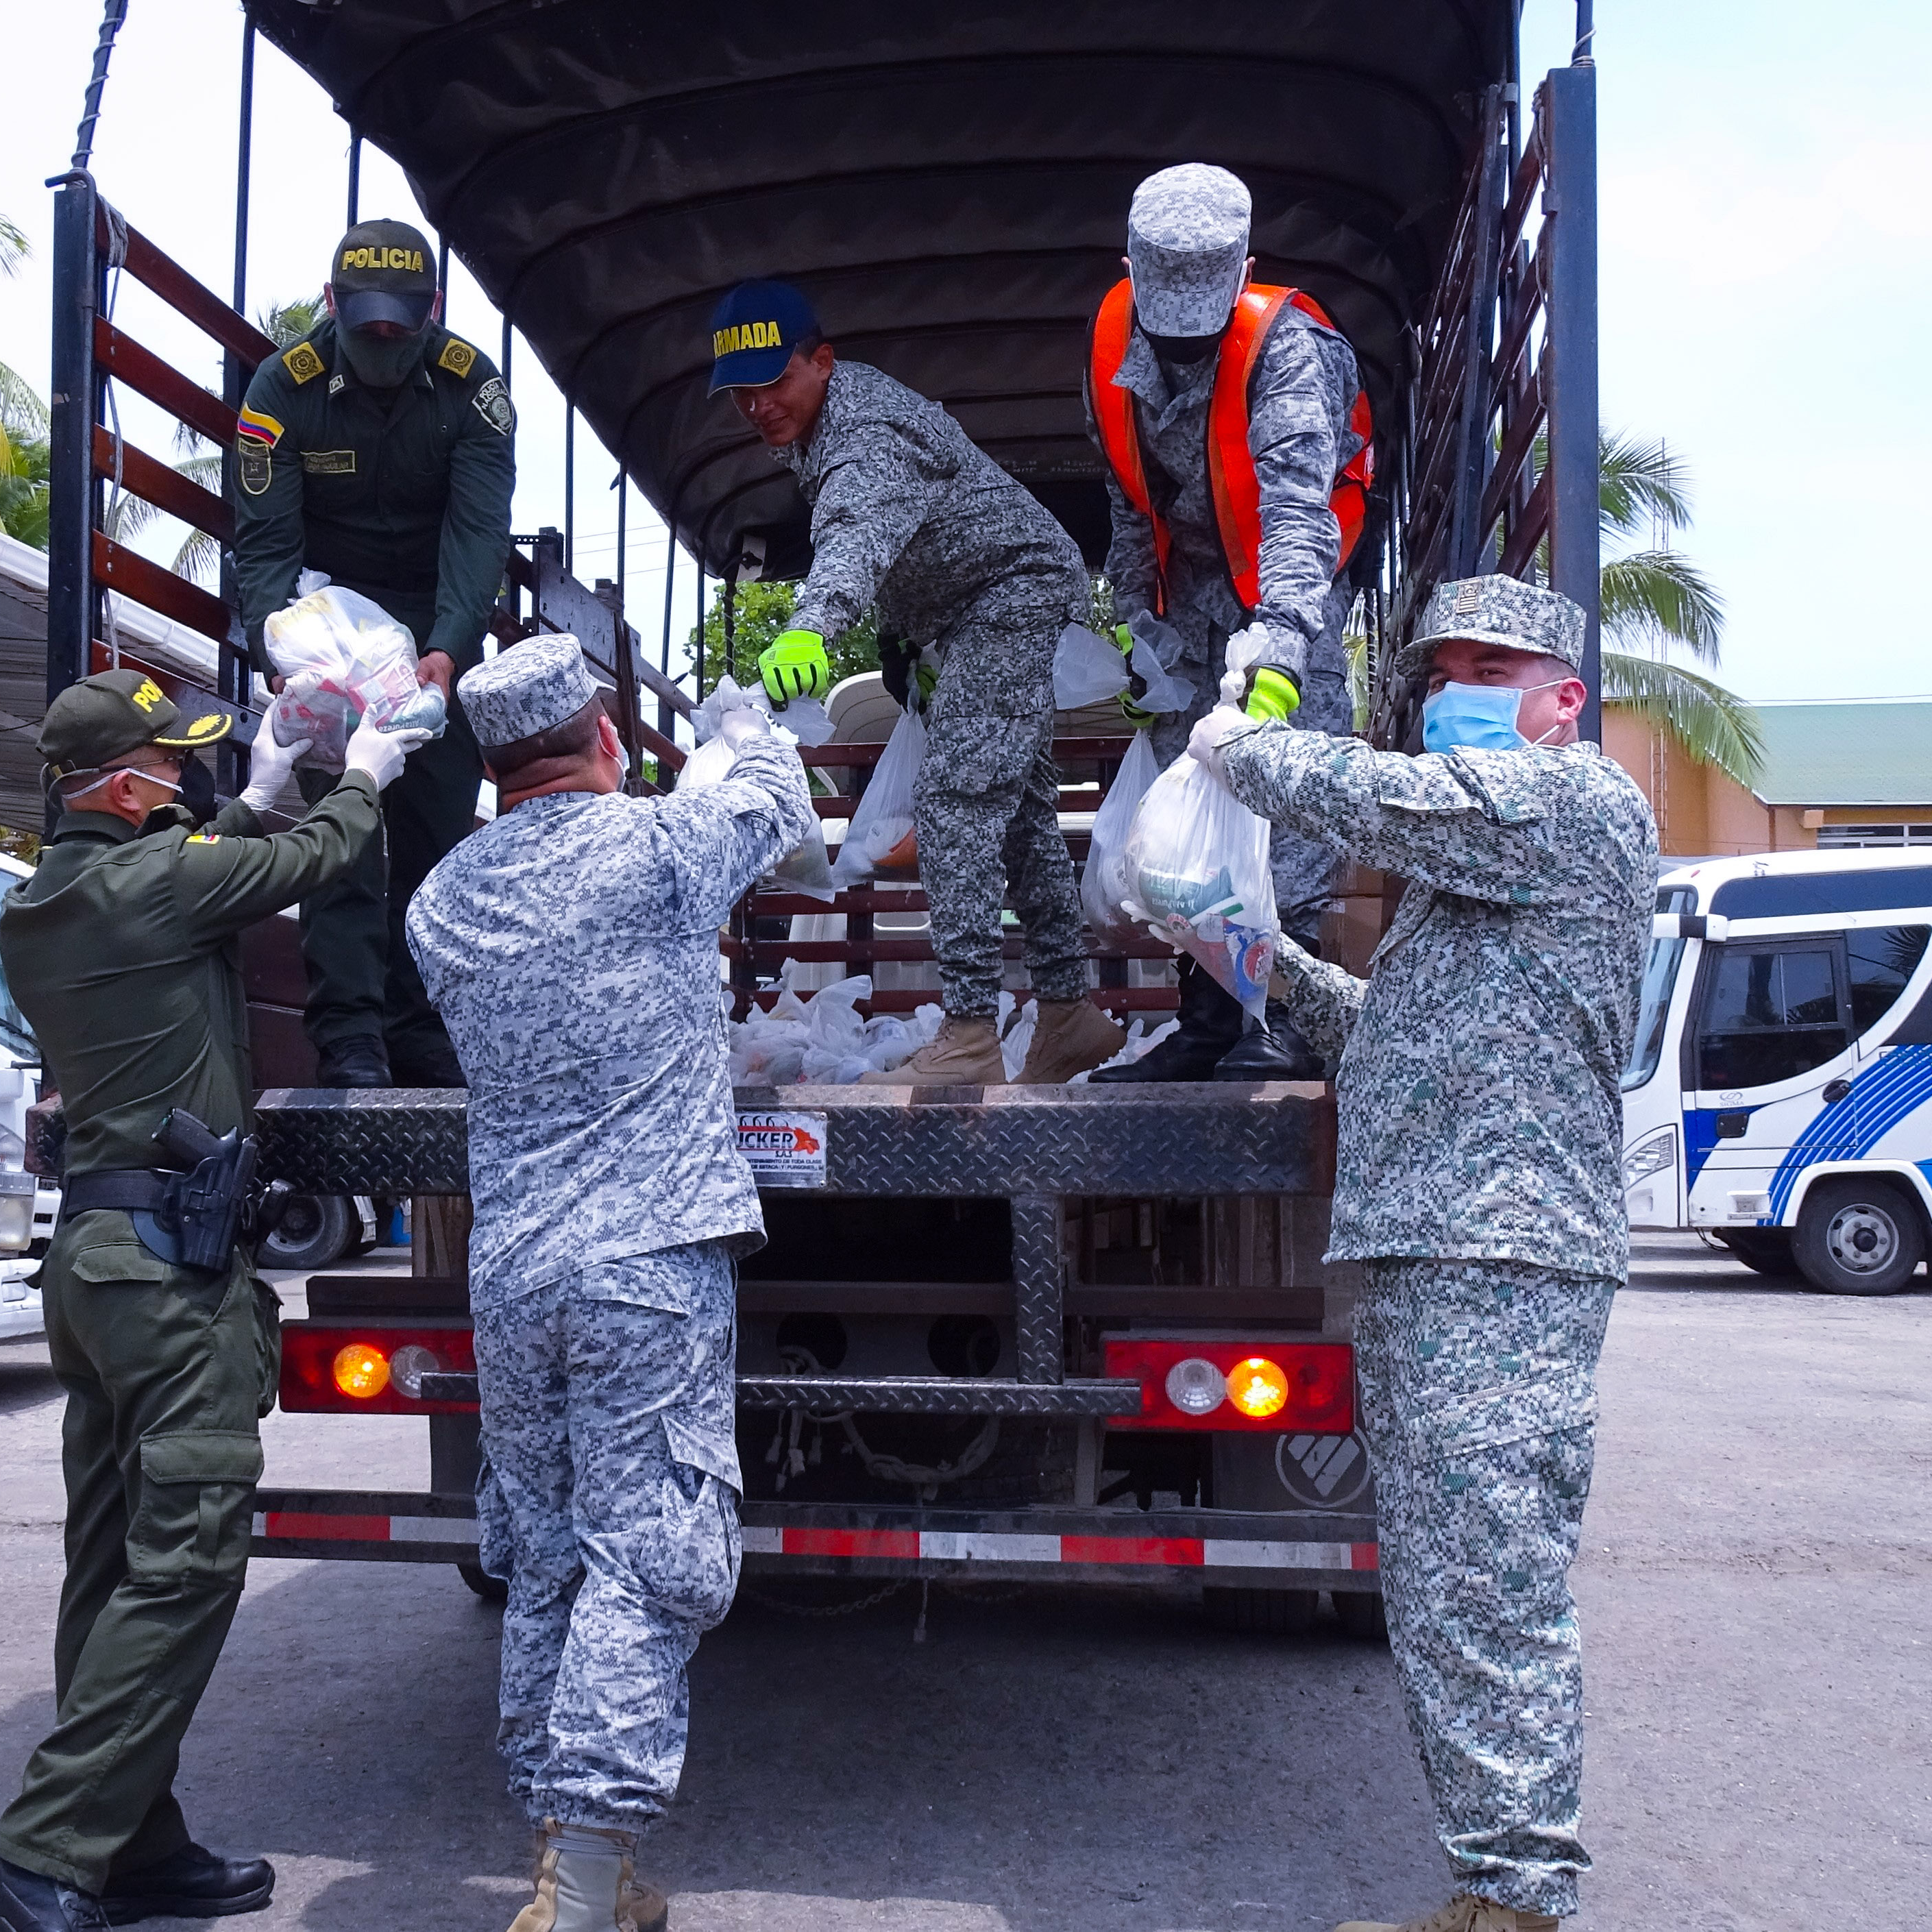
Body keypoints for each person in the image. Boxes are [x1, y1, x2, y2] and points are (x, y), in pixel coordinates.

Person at [1184, 576, 1656, 1932]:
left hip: (1498, 1259)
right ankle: (1491, 1885)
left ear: (1562, 698)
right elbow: (1397, 1039)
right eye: (1443, 661)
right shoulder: (1466, 893)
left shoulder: (1575, 805)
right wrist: (1253, 959)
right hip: (1427, 1255)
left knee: (1490, 1584)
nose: (1457, 681)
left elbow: (1385, 798)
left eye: (1490, 663)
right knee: (1445, 1591)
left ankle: (1515, 1894)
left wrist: (1238, 746)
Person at [0, 671, 424, 1932]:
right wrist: (361, 765)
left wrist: (247, 798)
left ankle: (127, 1840)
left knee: (109, 1560)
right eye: (166, 761)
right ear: (115, 786)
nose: (184, 776)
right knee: (191, 1554)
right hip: (166, 1273)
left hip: (101, 1260)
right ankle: (40, 1849)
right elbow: (319, 853)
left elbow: (204, 862)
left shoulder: (53, 899)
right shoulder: (151, 882)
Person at [404, 634, 816, 1932]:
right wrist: (750, 712)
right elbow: (775, 805)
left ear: (488, 763)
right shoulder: (657, 845)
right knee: (647, 1559)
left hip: (515, 1268)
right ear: (603, 734)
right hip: (645, 1264)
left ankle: (572, 1855)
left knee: (545, 1561)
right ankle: (580, 1894)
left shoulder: (439, 902)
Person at [710, 277, 1127, 1087]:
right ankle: (1069, 1012)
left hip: (1008, 591)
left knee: (956, 801)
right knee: (1019, 814)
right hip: (966, 608)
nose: (757, 406)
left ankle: (969, 1030)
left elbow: (857, 534)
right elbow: (908, 532)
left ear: (822, 362)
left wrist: (811, 624)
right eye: (740, 395)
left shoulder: (861, 429)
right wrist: (903, 636)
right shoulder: (819, 428)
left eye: (773, 382)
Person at [1086, 161, 1374, 1084]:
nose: (1179, 345)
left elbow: (1299, 514)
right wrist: (1140, 636)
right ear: (1127, 263)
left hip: (1283, 604)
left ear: (1246, 265)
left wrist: (1283, 641)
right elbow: (1129, 508)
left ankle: (1279, 1024)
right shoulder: (1108, 349)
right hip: (1187, 614)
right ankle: (1208, 1021)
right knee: (1186, 832)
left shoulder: (1289, 349)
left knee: (1282, 816)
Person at [231, 217, 517, 1090]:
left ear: (432, 310)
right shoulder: (283, 389)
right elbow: (265, 543)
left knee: (437, 829)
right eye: (368, 331)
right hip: (330, 626)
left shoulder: (474, 391)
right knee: (342, 837)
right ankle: (350, 1037)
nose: (385, 346)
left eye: (402, 329)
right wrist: (294, 660)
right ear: (331, 306)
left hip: (437, 623)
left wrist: (447, 650)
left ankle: (420, 1026)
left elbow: (477, 533)